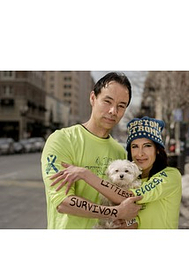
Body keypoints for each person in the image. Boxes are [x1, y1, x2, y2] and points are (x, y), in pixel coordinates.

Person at [41, 72, 142, 229]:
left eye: (121, 106)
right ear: (93, 98)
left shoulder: (120, 153)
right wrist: (116, 212)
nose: (113, 111)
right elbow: (62, 202)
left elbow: (126, 201)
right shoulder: (62, 139)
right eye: (107, 101)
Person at [50, 116, 182, 229]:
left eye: (147, 146)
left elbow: (129, 196)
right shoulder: (134, 179)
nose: (140, 153)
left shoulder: (169, 175)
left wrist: (86, 174)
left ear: (157, 150)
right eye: (135, 146)